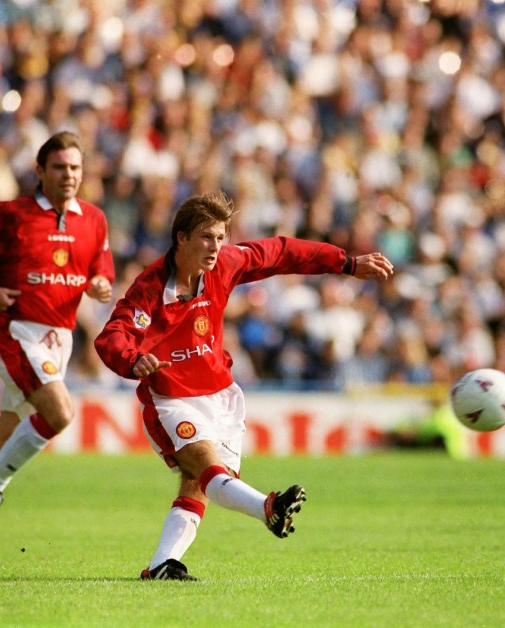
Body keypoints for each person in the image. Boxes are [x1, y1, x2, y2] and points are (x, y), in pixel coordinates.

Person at [94, 191, 394, 581]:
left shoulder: (226, 264)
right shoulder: (149, 289)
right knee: (207, 468)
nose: (216, 246)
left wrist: (348, 263)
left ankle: (162, 565)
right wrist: (133, 359)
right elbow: (112, 336)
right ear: (181, 238)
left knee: (200, 484)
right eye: (206, 237)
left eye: (220, 237)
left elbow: (283, 251)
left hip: (221, 396)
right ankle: (268, 507)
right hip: (172, 399)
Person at [0, 131, 115, 555]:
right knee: (60, 412)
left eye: (75, 167)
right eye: (59, 167)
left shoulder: (94, 219)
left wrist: (101, 285)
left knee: (2, 442)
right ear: (39, 171)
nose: (68, 175)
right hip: (16, 331)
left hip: (60, 339)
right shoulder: (8, 214)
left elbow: (100, 270)